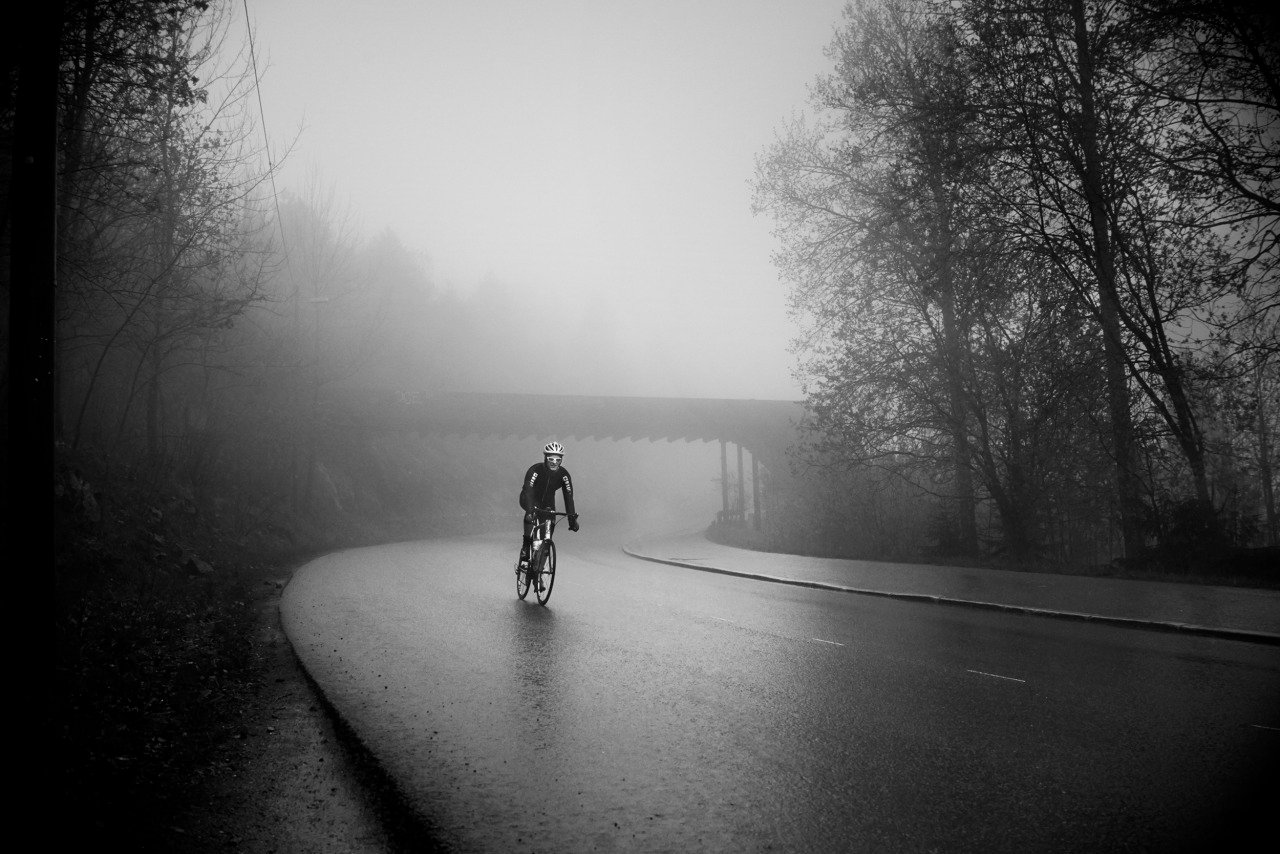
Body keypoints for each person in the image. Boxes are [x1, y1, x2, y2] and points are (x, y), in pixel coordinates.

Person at [519, 441, 579, 579]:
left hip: (547, 502)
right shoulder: (535, 470)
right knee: (531, 514)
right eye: (551, 459)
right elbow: (528, 490)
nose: (554, 462)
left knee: (549, 531)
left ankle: (539, 571)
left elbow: (568, 497)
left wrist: (572, 520)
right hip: (530, 497)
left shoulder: (564, 475)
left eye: (558, 460)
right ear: (545, 458)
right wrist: (529, 511)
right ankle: (526, 544)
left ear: (561, 460)